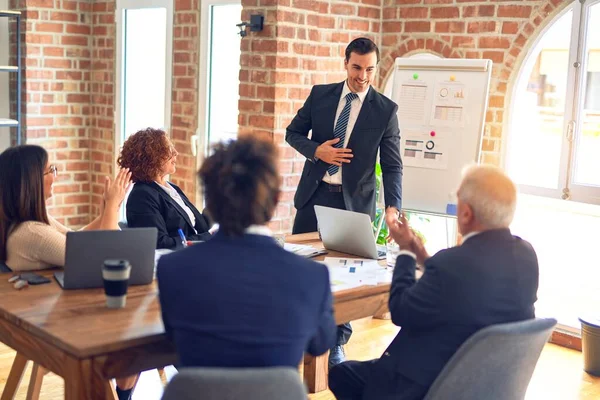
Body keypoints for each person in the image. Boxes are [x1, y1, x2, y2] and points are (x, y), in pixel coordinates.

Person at [328, 165, 539, 400]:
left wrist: (406, 253)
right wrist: (421, 253)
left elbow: (399, 309)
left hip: (428, 385)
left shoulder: (451, 263)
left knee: (341, 373)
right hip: (485, 384)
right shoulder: (526, 255)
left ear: (467, 213)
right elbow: (466, 282)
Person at [157, 136, 336, 368]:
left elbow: (174, 339)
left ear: (209, 203)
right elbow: (321, 343)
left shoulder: (172, 268)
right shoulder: (312, 276)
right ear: (275, 200)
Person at [285, 36, 403, 366]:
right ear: (345, 62)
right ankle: (297, 334)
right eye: (356, 67)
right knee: (301, 267)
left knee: (344, 275)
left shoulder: (385, 110)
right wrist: (316, 150)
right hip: (313, 196)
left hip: (353, 203)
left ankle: (336, 341)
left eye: (369, 69)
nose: (362, 76)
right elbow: (292, 132)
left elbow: (393, 164)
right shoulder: (321, 95)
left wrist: (393, 206)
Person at [0, 145, 137, 400]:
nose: (56, 175)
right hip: (55, 327)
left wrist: (106, 210)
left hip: (55, 312)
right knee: (132, 334)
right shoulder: (29, 233)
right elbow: (98, 259)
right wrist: (111, 209)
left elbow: (76, 241)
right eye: (50, 170)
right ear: (30, 181)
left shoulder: (35, 222)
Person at [118, 128, 213, 249]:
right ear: (152, 157)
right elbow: (160, 242)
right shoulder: (142, 196)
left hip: (195, 252)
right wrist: (207, 238)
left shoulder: (171, 187)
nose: (175, 153)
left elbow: (200, 226)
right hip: (178, 259)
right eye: (169, 149)